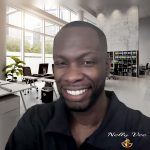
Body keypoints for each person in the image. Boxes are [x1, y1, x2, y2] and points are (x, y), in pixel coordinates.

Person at [5, 21, 150, 150]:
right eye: (61, 63)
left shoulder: (141, 132)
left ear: (107, 65)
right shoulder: (34, 121)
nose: (72, 76)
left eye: (87, 62)